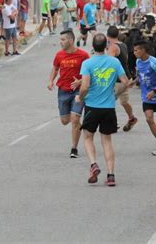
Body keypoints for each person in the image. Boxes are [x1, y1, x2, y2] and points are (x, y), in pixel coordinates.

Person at [75, 33, 131, 187]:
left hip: (92, 106)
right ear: (106, 46)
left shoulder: (87, 63)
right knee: (107, 141)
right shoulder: (114, 62)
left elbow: (85, 85)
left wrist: (80, 97)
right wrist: (114, 93)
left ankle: (93, 164)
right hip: (108, 107)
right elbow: (126, 81)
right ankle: (111, 175)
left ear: (93, 46)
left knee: (87, 138)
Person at [48, 29, 89, 158]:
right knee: (65, 121)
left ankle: (74, 148)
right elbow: (55, 68)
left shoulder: (83, 55)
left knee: (75, 119)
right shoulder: (59, 55)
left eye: (63, 39)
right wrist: (50, 81)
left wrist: (81, 81)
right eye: (60, 39)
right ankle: (77, 126)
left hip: (78, 91)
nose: (61, 42)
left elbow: (91, 73)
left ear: (71, 40)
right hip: (63, 90)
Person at [106, 26, 138, 132]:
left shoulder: (113, 47)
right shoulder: (122, 44)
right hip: (126, 77)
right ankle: (131, 118)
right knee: (124, 101)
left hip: (118, 80)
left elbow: (109, 64)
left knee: (108, 101)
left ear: (107, 36)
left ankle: (112, 124)